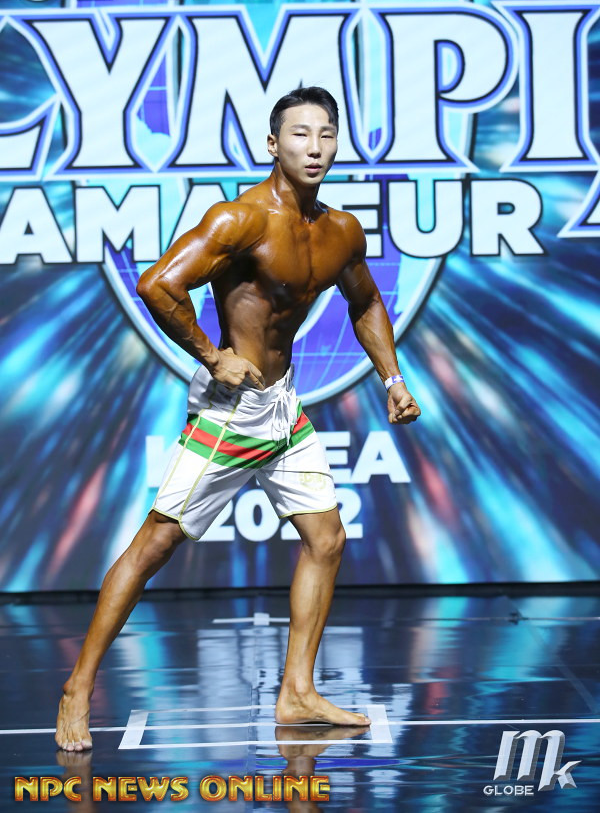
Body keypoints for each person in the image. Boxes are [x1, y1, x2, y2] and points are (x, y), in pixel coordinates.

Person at [55, 86, 421, 752]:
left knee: (327, 538)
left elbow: (365, 302)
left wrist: (392, 379)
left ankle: (297, 692)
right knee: (156, 543)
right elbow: (157, 284)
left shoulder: (340, 230)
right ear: (273, 144)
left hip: (283, 404)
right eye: (300, 134)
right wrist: (211, 355)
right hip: (231, 411)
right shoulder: (241, 220)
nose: (314, 147)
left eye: (326, 135)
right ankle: (78, 687)